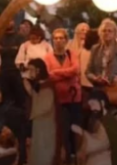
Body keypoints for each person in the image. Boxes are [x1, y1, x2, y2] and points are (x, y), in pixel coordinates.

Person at [45, 28, 81, 164]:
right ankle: (59, 154)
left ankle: (74, 153)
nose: (58, 41)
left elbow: (75, 70)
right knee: (59, 128)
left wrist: (57, 73)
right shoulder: (47, 57)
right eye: (56, 38)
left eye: (61, 38)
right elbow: (48, 75)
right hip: (57, 98)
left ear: (66, 40)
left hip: (73, 96)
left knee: (74, 126)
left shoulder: (72, 54)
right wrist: (67, 74)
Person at [23, 58, 56, 165]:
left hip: (46, 123)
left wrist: (32, 113)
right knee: (38, 147)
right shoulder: (38, 84)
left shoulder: (47, 85)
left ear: (38, 70)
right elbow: (37, 98)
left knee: (44, 149)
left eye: (31, 70)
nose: (30, 73)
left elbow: (45, 106)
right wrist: (29, 89)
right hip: (39, 122)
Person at [0, 20, 26, 107]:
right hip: (3, 71)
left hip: (17, 72)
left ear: (13, 22)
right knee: (6, 99)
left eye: (10, 21)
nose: (8, 23)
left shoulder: (20, 37)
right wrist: (13, 49)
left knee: (20, 99)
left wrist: (4, 49)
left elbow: (20, 51)